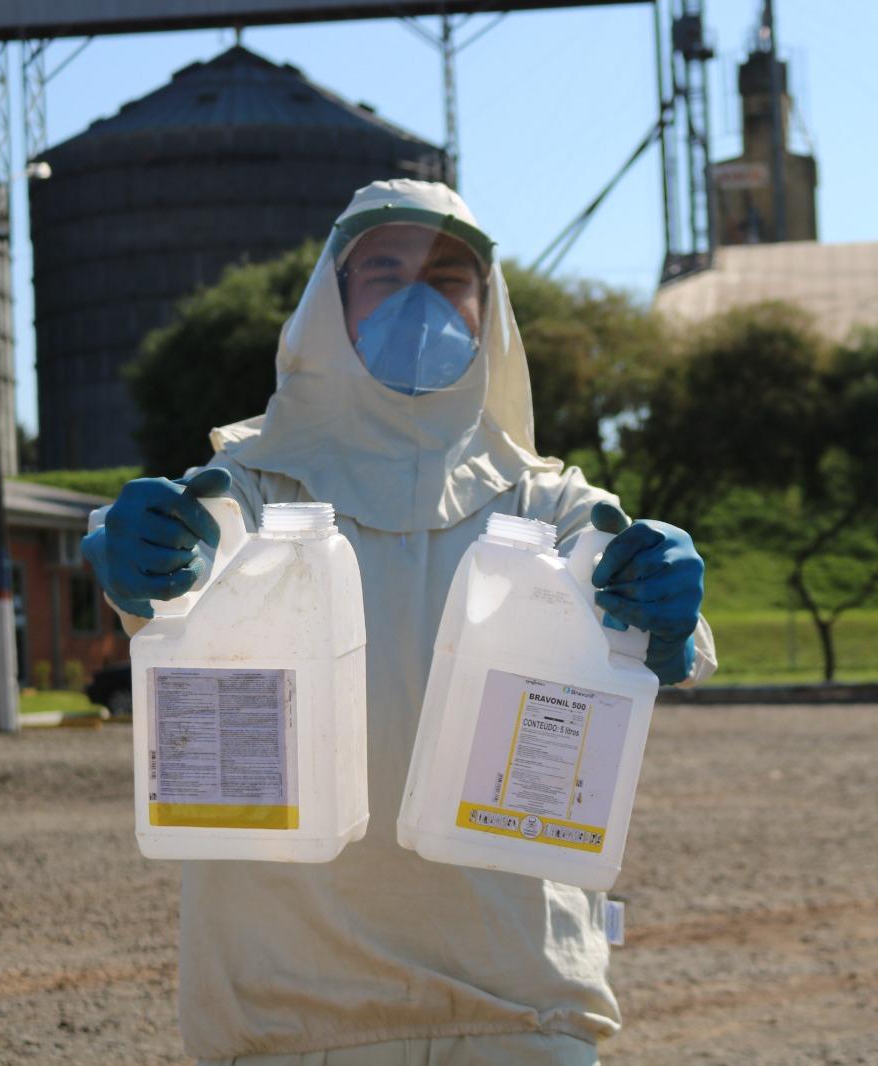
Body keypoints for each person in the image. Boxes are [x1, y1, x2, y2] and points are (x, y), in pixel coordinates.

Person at [82, 179, 714, 1065]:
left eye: (450, 278)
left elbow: (658, 646)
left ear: (486, 310)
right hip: (289, 1016)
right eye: (386, 274)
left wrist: (667, 615)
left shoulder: (556, 504)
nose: (421, 299)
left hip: (520, 1012)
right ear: (333, 306)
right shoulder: (253, 489)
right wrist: (125, 549)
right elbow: (166, 571)